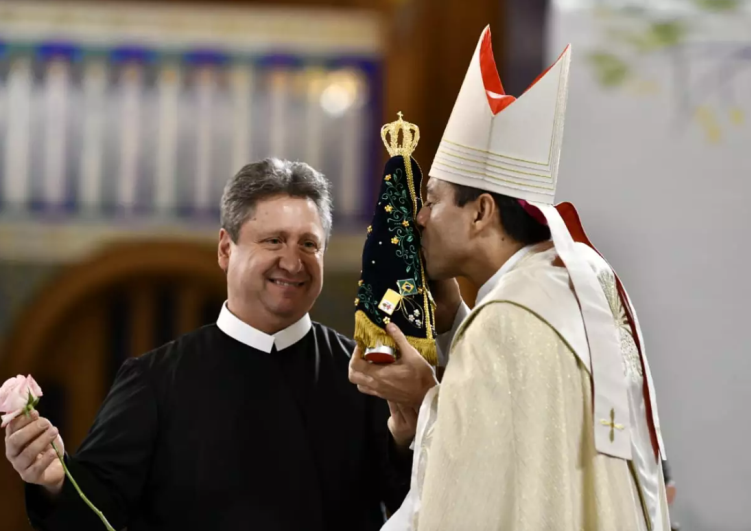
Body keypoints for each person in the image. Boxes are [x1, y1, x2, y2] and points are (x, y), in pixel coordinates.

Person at [349, 26, 670, 531]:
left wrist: (422, 400)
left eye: (432, 200)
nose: (419, 219)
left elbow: (473, 493)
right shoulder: (572, 280)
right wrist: (454, 319)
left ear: (480, 212)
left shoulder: (507, 324)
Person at [4, 158, 413, 531]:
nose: (293, 262)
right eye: (273, 241)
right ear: (225, 249)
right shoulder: (154, 382)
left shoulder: (365, 375)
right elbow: (94, 513)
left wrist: (411, 430)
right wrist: (54, 482)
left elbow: (415, 504)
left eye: (309, 244)